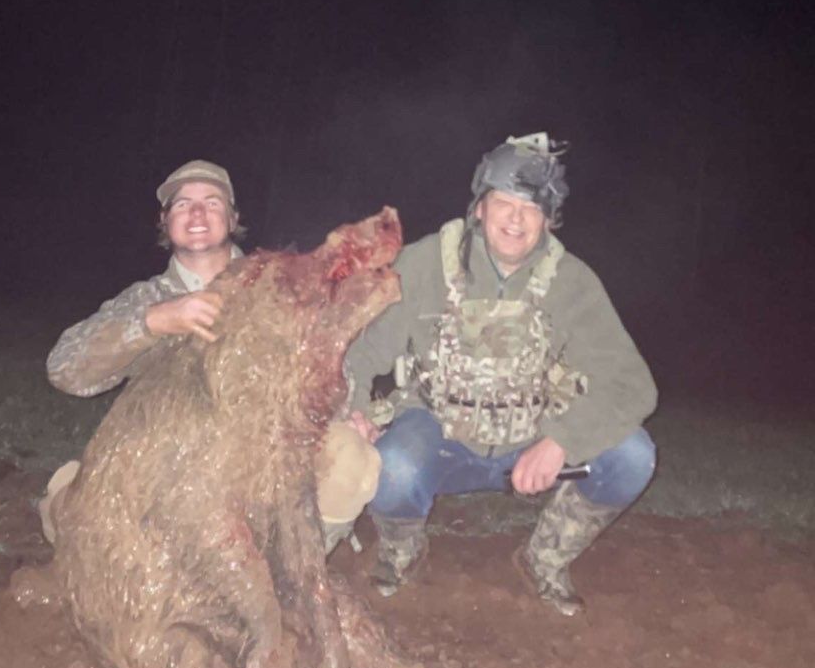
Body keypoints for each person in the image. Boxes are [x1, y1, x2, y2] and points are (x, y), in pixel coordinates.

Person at [345, 132, 657, 617]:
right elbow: (361, 352)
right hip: (438, 435)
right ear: (479, 208)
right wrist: (355, 409)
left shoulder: (573, 281)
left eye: (531, 208)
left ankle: (544, 559)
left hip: (532, 441)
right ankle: (401, 552)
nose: (516, 218)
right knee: (394, 467)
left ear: (548, 220)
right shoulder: (424, 262)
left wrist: (562, 440)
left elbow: (633, 385)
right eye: (504, 202)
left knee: (634, 455)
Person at [43, 160, 380, 545]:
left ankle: (290, 584)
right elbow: (65, 370)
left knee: (349, 456)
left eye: (212, 202)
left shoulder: (281, 289)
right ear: (166, 221)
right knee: (79, 515)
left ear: (233, 218)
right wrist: (150, 323)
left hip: (263, 469)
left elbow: (334, 371)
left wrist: (355, 417)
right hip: (167, 471)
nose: (198, 212)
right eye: (183, 204)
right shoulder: (145, 300)